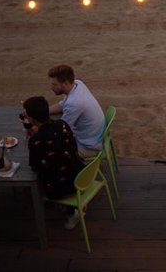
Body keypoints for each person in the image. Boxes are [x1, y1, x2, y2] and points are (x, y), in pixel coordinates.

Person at [24, 96, 84, 229]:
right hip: (80, 175)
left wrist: (35, 138)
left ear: (31, 118)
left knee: (30, 183)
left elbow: (34, 166)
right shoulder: (63, 124)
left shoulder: (35, 141)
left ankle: (71, 214)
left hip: (61, 187)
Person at [48, 65, 104, 159]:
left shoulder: (74, 103)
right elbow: (62, 105)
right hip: (93, 137)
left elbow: (61, 130)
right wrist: (44, 111)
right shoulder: (77, 84)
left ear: (65, 83)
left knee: (48, 148)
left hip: (87, 147)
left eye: (54, 85)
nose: (52, 87)